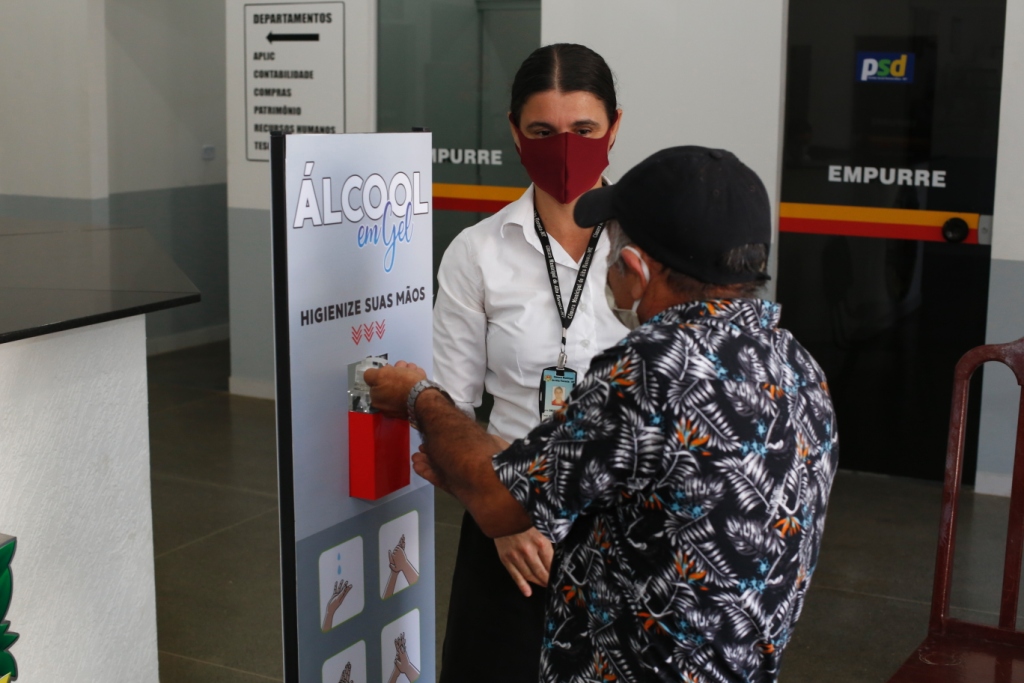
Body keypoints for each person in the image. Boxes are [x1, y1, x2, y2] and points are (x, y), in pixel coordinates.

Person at [367, 146, 840, 683]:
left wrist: (419, 398)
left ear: (637, 267)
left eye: (612, 241)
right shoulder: (798, 367)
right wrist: (487, 463)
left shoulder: (652, 369)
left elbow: (500, 504)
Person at [431, 43, 628, 682]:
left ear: (614, 129)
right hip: (512, 533)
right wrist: (499, 517)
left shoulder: (650, 245)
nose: (564, 148)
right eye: (543, 132)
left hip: (629, 526)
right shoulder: (478, 252)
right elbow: (448, 408)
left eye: (584, 130)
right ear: (516, 134)